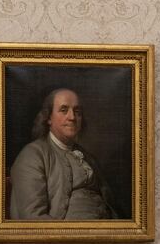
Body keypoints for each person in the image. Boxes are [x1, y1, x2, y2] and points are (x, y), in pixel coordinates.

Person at [10, 88, 120, 219]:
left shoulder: (87, 157)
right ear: (48, 118)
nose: (72, 117)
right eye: (64, 110)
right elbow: (33, 217)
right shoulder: (32, 155)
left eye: (77, 111)